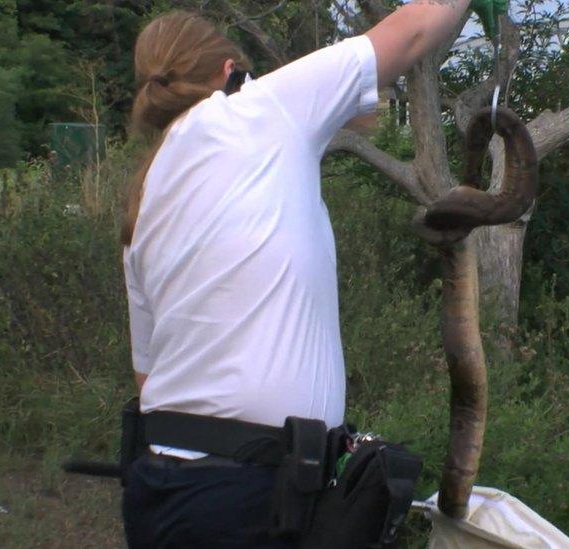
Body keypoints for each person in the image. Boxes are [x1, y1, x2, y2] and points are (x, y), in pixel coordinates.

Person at [120, 1, 501, 547]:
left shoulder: (146, 199)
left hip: (163, 488)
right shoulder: (255, 107)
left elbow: (147, 378)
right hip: (248, 500)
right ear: (231, 73)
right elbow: (414, 31)